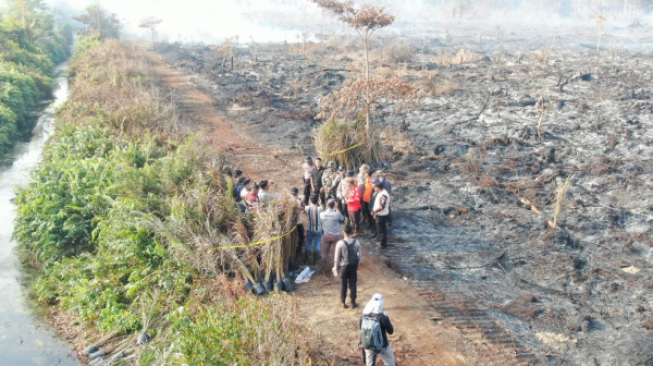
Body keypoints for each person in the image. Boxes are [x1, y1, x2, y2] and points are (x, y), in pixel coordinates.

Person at [361, 294, 395, 366]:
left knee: (370, 364)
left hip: (368, 344)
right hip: (382, 346)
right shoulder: (384, 318)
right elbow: (391, 331)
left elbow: (360, 327)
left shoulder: (364, 315)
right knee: (390, 361)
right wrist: (387, 318)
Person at [333, 224, 361, 308]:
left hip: (343, 267)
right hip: (353, 266)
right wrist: (358, 265)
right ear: (352, 232)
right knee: (353, 284)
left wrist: (336, 266)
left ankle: (343, 302)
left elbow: (337, 257)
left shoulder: (340, 243)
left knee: (343, 284)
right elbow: (359, 255)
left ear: (343, 233)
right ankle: (353, 302)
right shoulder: (357, 242)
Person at [320, 199, 345, 274]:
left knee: (324, 252)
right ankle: (337, 268)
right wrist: (337, 208)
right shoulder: (337, 214)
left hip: (326, 235)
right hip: (336, 236)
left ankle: (323, 268)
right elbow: (342, 219)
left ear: (327, 205)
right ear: (334, 205)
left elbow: (322, 217)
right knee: (337, 253)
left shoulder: (322, 214)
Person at [304, 194, 323, 264]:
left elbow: (304, 211)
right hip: (318, 229)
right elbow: (322, 211)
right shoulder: (320, 209)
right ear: (317, 201)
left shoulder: (307, 208)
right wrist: (320, 204)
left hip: (310, 229)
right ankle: (315, 261)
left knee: (308, 243)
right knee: (317, 244)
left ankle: (306, 259)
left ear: (310, 200)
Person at [372, 182, 391, 248]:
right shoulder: (381, 193)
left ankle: (383, 244)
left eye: (375, 187)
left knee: (382, 229)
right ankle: (381, 240)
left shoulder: (383, 195)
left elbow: (382, 207)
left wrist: (374, 211)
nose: (374, 188)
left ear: (378, 187)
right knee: (381, 229)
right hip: (380, 214)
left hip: (381, 215)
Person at [291, 187, 305, 261]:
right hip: (298, 222)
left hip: (290, 223)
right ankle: (298, 251)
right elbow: (302, 209)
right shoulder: (298, 201)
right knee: (301, 237)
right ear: (297, 193)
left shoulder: (288, 200)